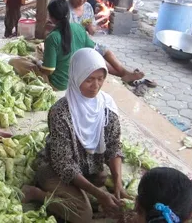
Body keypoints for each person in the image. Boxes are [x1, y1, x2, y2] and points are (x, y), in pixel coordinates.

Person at [22, 48, 128, 223]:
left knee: (104, 178)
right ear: (76, 77)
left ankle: (82, 190)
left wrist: (118, 182)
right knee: (83, 215)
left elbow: (114, 145)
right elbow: (64, 165)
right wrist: (98, 193)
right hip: (55, 169)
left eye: (101, 79)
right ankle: (37, 193)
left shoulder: (106, 105)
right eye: (89, 80)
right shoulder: (60, 112)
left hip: (88, 167)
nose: (96, 86)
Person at [68, 0, 146, 84]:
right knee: (98, 59)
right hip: (71, 42)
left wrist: (91, 27)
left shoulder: (87, 7)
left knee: (105, 51)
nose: (81, 0)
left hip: (85, 41)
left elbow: (92, 31)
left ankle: (125, 73)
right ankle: (124, 73)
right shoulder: (65, 8)